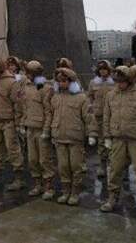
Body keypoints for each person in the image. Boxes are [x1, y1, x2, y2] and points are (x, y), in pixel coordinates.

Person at [100, 66, 136, 222]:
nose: (119, 84)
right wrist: (107, 137)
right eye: (117, 81)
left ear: (129, 80)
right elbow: (106, 117)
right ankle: (112, 198)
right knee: (114, 170)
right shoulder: (111, 96)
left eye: (122, 81)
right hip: (117, 139)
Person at [50, 67, 97, 205]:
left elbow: (89, 117)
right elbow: (52, 115)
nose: (61, 83)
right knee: (63, 166)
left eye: (64, 81)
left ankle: (75, 192)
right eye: (59, 81)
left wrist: (92, 134)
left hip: (75, 137)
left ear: (71, 81)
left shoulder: (82, 98)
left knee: (76, 166)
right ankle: (66, 191)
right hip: (59, 136)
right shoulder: (56, 97)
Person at [0, 58, 25, 191]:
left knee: (13, 149)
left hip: (9, 121)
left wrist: (18, 123)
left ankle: (18, 178)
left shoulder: (12, 82)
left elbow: (18, 104)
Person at [21, 61, 56, 199]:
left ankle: (49, 186)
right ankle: (37, 184)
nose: (27, 75)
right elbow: (25, 107)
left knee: (44, 159)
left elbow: (48, 111)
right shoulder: (26, 86)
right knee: (32, 159)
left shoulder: (46, 88)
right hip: (30, 127)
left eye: (29, 73)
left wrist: (47, 130)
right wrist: (23, 123)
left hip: (41, 128)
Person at [87, 60, 116, 178]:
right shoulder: (93, 82)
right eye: (101, 69)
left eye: (105, 69)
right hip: (99, 115)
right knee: (101, 141)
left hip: (112, 115)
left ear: (109, 70)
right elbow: (89, 96)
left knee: (112, 141)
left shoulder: (114, 82)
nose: (103, 71)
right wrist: (91, 106)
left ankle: (114, 165)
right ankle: (102, 165)